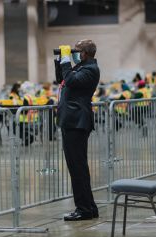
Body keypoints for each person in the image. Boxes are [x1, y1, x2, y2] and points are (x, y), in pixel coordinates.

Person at [55, 39, 99, 221]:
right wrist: (59, 60)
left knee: (77, 168)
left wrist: (67, 60)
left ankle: (84, 209)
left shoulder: (90, 69)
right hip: (72, 122)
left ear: (84, 53)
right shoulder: (81, 67)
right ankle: (89, 207)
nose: (74, 54)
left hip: (76, 123)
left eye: (76, 51)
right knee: (78, 167)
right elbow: (62, 79)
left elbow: (71, 81)